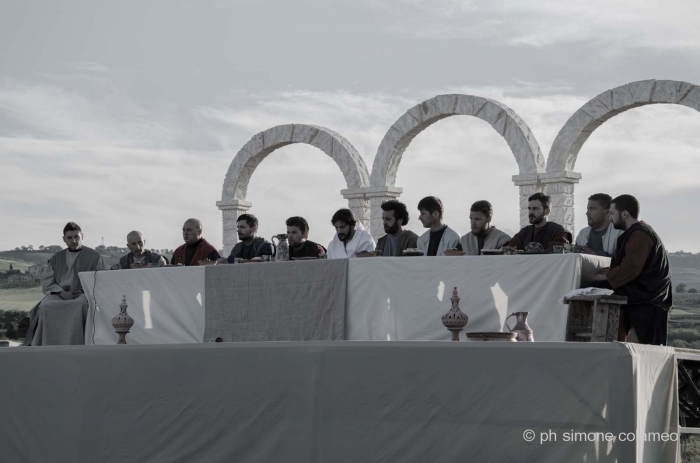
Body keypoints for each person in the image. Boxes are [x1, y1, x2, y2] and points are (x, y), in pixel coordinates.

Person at [589, 195, 672, 345]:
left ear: (625, 214)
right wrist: (606, 273)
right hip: (641, 298)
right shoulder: (634, 233)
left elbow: (630, 268)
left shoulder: (640, 234)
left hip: (647, 301)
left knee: (643, 353)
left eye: (612, 213)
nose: (610, 218)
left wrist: (603, 278)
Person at [23, 222, 106, 346]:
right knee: (46, 306)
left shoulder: (94, 256)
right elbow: (47, 280)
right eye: (70, 238)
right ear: (64, 239)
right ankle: (49, 345)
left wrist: (85, 291)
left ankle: (79, 344)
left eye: (76, 237)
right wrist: (62, 293)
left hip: (84, 293)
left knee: (81, 305)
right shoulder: (57, 257)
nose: (74, 241)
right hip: (60, 293)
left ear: (82, 236)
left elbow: (101, 279)